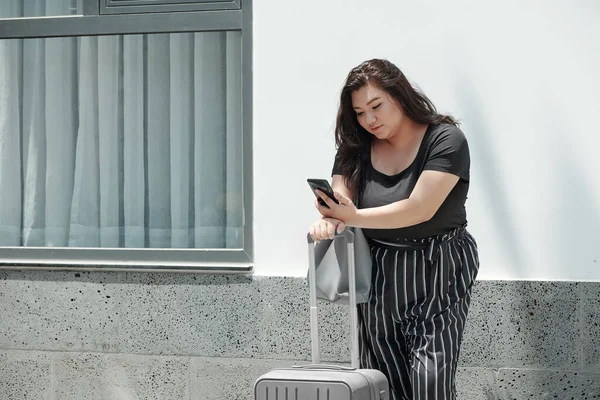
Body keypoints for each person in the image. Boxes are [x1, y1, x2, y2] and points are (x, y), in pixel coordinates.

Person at [309, 58, 479, 400]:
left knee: (431, 381)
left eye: (376, 106)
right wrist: (331, 217)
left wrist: (351, 216)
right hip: (379, 269)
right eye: (359, 112)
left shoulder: (446, 140)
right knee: (384, 380)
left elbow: (420, 208)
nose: (369, 120)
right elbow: (343, 197)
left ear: (399, 97)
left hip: (439, 265)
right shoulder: (355, 148)